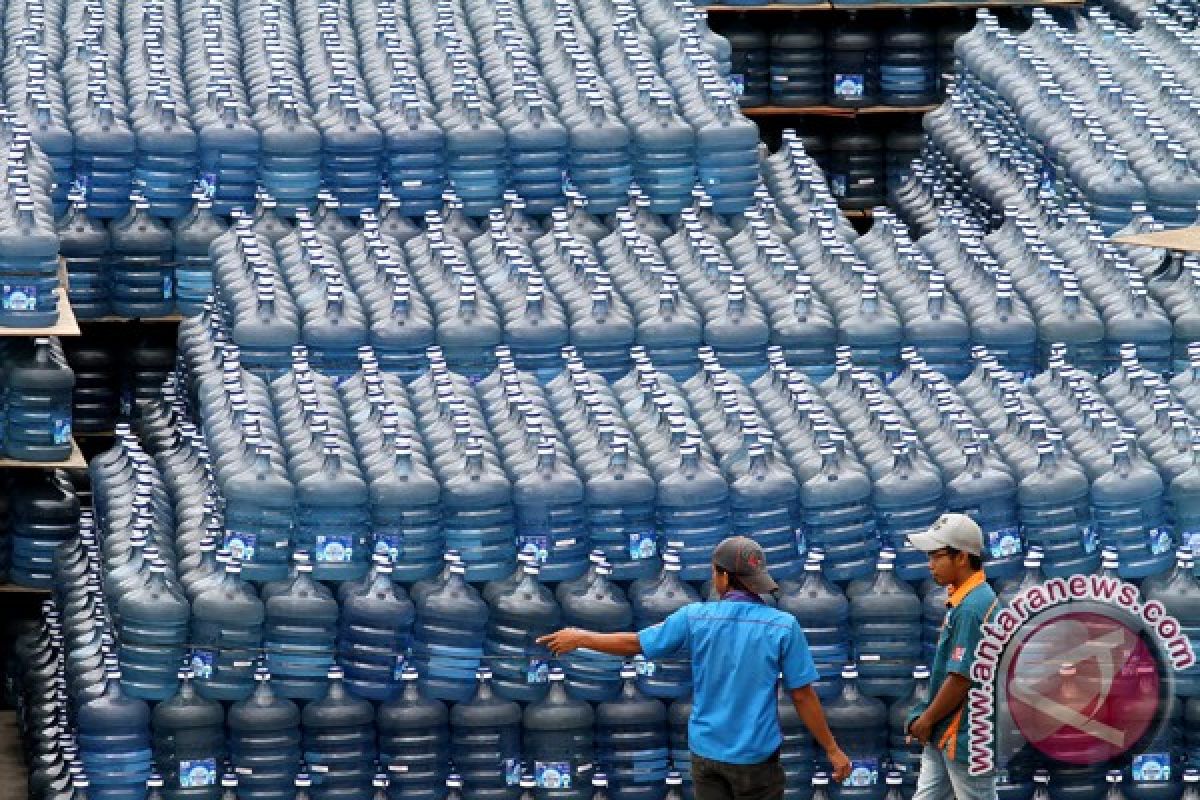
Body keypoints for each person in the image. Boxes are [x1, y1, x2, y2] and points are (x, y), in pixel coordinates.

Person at [538, 535, 852, 800]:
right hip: (757, 758)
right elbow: (802, 695)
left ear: (724, 577)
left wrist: (581, 638)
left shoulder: (695, 617)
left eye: (715, 573)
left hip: (708, 753)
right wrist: (832, 749)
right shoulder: (783, 626)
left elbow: (635, 644)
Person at [905, 513, 1000, 800]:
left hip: (965, 735)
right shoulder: (965, 600)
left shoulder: (973, 608)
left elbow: (961, 678)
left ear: (962, 558)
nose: (930, 565)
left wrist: (926, 720)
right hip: (944, 733)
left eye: (937, 556)